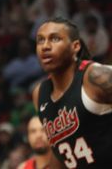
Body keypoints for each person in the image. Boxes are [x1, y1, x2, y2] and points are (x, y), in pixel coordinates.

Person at [32, 17, 112, 168]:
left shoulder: (96, 77)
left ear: (75, 46)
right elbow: (62, 152)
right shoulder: (39, 94)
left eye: (55, 39)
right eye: (40, 40)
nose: (45, 46)